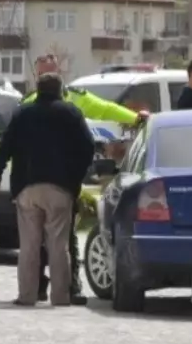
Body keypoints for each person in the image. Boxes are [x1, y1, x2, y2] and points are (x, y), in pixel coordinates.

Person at [23, 54, 147, 305]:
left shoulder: (75, 98)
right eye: (42, 73)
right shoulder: (28, 104)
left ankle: (71, 286)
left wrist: (134, 118)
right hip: (35, 180)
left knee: (66, 238)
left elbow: (104, 108)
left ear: (60, 74)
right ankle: (35, 287)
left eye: (51, 72)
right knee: (34, 243)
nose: (47, 77)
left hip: (65, 180)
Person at [0, 72, 95, 306]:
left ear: (37, 89)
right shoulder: (71, 113)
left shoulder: (23, 112)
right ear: (60, 89)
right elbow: (87, 147)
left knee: (29, 246)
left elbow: (5, 146)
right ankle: (60, 296)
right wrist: (75, 178)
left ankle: (26, 296)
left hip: (27, 186)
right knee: (58, 245)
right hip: (60, 188)